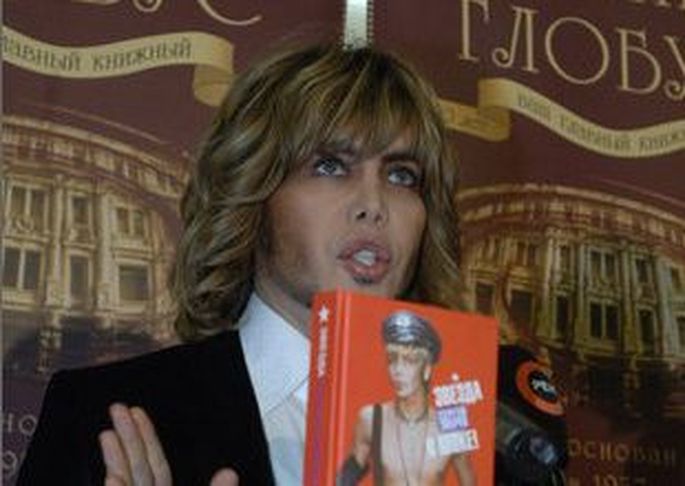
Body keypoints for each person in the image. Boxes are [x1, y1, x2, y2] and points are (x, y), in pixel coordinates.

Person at [17, 41, 462, 485]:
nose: (374, 204)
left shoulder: (475, 439)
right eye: (330, 166)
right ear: (254, 193)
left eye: (401, 175)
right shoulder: (105, 417)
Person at [338, 311, 475, 486]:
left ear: (427, 368)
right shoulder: (372, 418)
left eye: (409, 361)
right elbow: (345, 477)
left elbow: (469, 480)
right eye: (392, 360)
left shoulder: (450, 424)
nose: (397, 371)